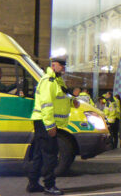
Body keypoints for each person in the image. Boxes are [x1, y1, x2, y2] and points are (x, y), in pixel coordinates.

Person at [27, 57, 70, 195]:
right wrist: (50, 126)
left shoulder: (56, 80)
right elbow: (47, 105)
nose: (63, 67)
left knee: (40, 153)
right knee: (50, 154)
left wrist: (72, 101)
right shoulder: (48, 81)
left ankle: (33, 184)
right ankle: (49, 186)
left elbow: (60, 97)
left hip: (43, 121)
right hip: (45, 122)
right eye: (61, 65)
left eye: (64, 65)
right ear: (53, 65)